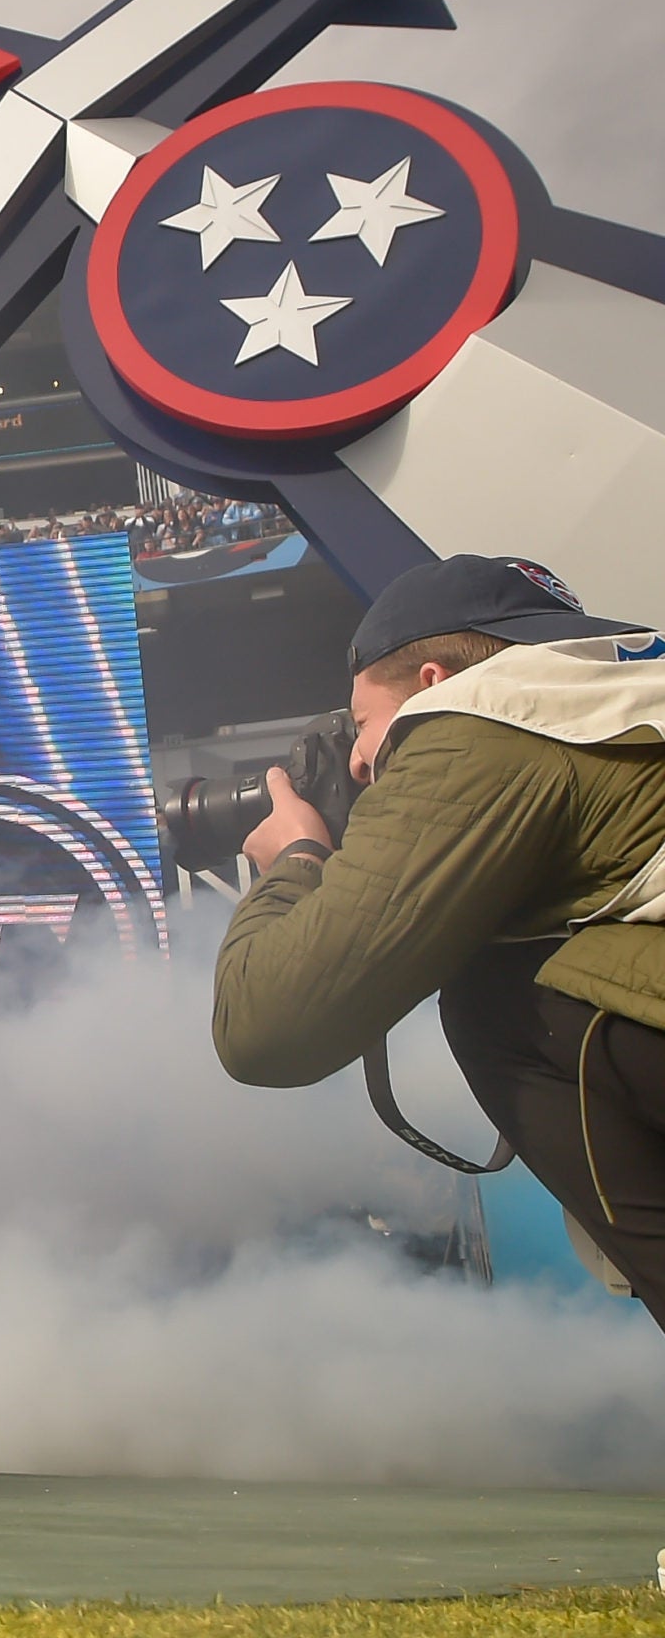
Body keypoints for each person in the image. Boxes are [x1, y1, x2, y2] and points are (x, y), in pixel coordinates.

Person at [214, 555, 665, 1320]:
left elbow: (265, 1029)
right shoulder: (605, 689)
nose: (359, 762)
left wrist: (296, 856)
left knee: (501, 1000)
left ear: (431, 681)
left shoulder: (485, 716)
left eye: (361, 726)